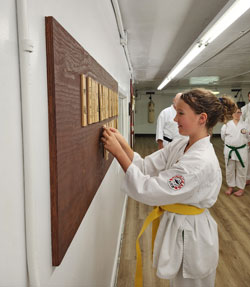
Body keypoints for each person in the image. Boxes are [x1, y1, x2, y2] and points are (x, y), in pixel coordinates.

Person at [101, 88, 236, 287]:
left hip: (192, 235)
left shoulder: (199, 162)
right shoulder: (182, 143)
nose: (174, 119)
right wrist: (121, 143)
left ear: (202, 118)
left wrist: (117, 153)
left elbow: (150, 189)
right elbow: (146, 166)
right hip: (181, 226)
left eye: (181, 113)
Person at [221, 107, 249, 196]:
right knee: (229, 169)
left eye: (239, 112)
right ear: (232, 114)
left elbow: (248, 137)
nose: (238, 114)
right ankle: (231, 187)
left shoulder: (246, 125)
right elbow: (223, 137)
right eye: (236, 112)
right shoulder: (226, 125)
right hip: (230, 150)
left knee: (242, 169)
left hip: (242, 150)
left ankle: (241, 188)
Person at [241, 91, 250, 185]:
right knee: (247, 159)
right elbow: (241, 124)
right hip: (247, 136)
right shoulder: (245, 108)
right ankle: (247, 178)